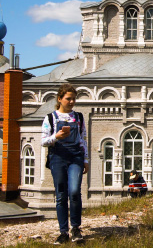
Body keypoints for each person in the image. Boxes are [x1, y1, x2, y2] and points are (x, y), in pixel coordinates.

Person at [42, 83, 89, 244]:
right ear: (60, 99)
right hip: (58, 158)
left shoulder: (79, 117)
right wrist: (57, 137)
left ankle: (76, 228)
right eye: (68, 99)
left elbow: (83, 140)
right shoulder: (50, 118)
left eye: (74, 99)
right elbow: (43, 141)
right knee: (61, 195)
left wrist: (86, 160)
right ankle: (63, 232)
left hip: (75, 157)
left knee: (74, 192)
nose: (71, 102)